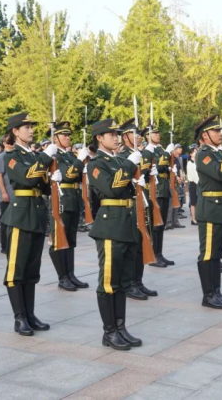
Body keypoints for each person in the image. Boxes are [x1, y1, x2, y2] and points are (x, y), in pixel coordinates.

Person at [87, 118, 143, 350]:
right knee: (109, 282)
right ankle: (109, 331)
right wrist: (129, 165)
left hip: (126, 224)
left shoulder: (118, 160)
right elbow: (111, 188)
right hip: (110, 226)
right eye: (111, 134)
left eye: (117, 134)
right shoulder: (96, 163)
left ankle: (121, 327)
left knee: (122, 282)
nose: (116, 138)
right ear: (100, 138)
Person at [1, 112, 57, 336]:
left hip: (36, 213)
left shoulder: (33, 155)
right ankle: (20, 317)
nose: (31, 130)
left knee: (32, 270)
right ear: (15, 131)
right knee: (16, 270)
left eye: (32, 127)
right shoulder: (11, 155)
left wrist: (54, 178)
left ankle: (30, 314)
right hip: (21, 216)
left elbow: (41, 184)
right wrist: (45, 158)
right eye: (26, 127)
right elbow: (27, 177)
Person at [193, 116, 222, 309]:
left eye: (220, 130)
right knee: (208, 254)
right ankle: (208, 295)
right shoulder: (203, 154)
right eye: (216, 131)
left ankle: (217, 292)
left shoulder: (218, 153)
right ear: (205, 135)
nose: (220, 134)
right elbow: (219, 173)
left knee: (217, 254)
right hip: (211, 209)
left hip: (221, 208)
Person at [48, 121, 90, 291]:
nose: (67, 137)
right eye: (64, 135)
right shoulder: (55, 156)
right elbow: (68, 174)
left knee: (71, 239)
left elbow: (78, 176)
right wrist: (79, 160)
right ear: (55, 138)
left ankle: (71, 274)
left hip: (73, 198)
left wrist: (84, 164)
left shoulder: (70, 155)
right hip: (62, 200)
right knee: (59, 239)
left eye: (68, 135)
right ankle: (62, 277)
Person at [118, 118, 158, 300]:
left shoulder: (138, 153)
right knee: (133, 245)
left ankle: (138, 281)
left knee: (142, 243)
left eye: (140, 135)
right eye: (134, 134)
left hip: (142, 200)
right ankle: (130, 284)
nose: (139, 137)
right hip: (131, 202)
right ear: (125, 137)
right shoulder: (123, 155)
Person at [145, 127, 176, 267]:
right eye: (155, 133)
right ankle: (153, 255)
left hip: (163, 188)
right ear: (147, 136)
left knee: (161, 224)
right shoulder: (148, 151)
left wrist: (170, 168)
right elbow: (159, 165)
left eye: (158, 133)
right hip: (155, 190)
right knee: (155, 225)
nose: (158, 135)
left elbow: (164, 167)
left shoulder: (159, 149)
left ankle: (159, 253)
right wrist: (168, 153)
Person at [0, 134, 15, 254]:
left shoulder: (15, 155)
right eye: (9, 142)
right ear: (4, 143)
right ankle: (4, 245)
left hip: (15, 193)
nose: (11, 143)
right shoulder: (2, 157)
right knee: (5, 220)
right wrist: (3, 192)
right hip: (7, 192)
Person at [187, 144, 199, 226]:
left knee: (198, 202)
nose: (196, 152)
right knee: (193, 202)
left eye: (196, 151)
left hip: (198, 183)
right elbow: (193, 175)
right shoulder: (190, 163)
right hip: (193, 183)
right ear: (190, 154)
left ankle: (197, 218)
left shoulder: (197, 162)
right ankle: (193, 219)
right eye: (194, 151)